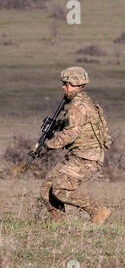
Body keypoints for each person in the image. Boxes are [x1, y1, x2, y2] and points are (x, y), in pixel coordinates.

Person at [36, 67, 112, 224]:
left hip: (87, 156)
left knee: (60, 189)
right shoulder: (79, 102)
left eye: (66, 84)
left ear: (76, 84)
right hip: (77, 154)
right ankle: (59, 223)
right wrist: (56, 125)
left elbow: (70, 134)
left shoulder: (78, 106)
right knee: (47, 190)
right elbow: (71, 125)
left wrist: (47, 146)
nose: (63, 87)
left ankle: (97, 210)